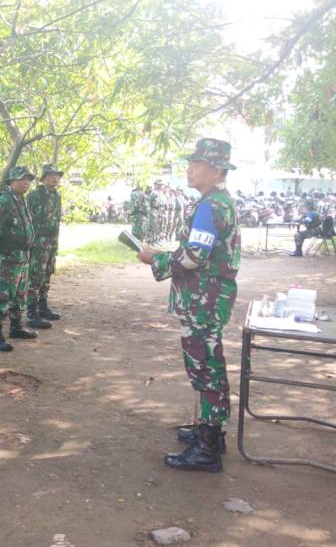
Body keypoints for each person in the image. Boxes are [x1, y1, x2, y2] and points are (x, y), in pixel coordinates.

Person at [137, 138, 240, 473]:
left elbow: (194, 257)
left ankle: (208, 449)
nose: (189, 169)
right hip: (207, 298)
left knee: (206, 368)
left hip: (202, 300)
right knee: (209, 365)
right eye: (190, 162)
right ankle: (211, 432)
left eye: (197, 164)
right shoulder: (215, 202)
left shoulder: (211, 207)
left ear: (216, 170)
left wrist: (156, 259)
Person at [0, 166, 37, 352]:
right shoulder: (4, 200)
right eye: (23, 179)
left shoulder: (20, 199)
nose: (26, 182)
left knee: (19, 295)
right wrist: (1, 249)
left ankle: (16, 327)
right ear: (12, 181)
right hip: (7, 258)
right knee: (2, 296)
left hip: (21, 257)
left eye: (29, 179)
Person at [26, 163, 64, 327]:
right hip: (38, 243)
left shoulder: (56, 196)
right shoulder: (34, 196)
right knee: (35, 277)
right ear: (44, 178)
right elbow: (27, 219)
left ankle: (43, 307)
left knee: (47, 275)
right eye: (51, 175)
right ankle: (31, 313)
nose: (55, 178)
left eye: (57, 175)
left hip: (51, 242)